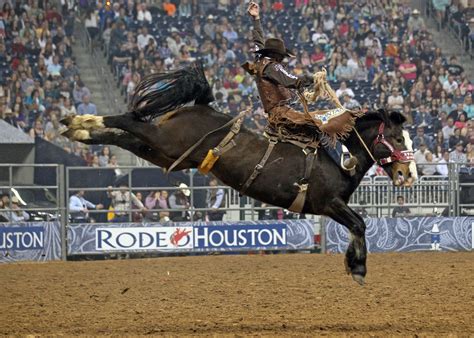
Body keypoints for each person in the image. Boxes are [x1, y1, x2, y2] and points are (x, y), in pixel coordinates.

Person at [245, 1, 357, 171]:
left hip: (278, 112)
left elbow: (258, 41)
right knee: (317, 125)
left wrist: (256, 19)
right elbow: (291, 81)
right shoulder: (273, 67)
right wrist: (314, 78)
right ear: (278, 56)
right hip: (281, 113)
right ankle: (341, 159)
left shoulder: (261, 61)